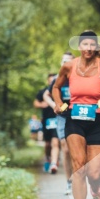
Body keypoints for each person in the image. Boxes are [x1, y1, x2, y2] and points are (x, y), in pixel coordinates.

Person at [52, 31, 100, 199]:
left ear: (96, 47)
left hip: (98, 120)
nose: (88, 48)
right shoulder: (69, 66)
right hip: (75, 120)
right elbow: (55, 87)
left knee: (94, 174)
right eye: (84, 44)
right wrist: (57, 103)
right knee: (79, 167)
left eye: (92, 45)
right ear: (79, 46)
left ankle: (95, 190)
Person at [43, 52, 75, 189]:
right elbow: (46, 95)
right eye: (63, 61)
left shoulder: (79, 76)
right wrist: (55, 105)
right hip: (63, 117)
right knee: (66, 149)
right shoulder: (58, 78)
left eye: (68, 61)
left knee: (79, 150)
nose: (65, 63)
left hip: (80, 116)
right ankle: (69, 183)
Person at [34, 73, 59, 173]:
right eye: (51, 80)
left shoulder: (59, 90)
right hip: (46, 120)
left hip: (57, 119)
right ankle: (48, 159)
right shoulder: (43, 92)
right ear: (48, 81)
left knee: (55, 142)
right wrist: (41, 104)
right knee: (48, 144)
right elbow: (35, 103)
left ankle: (54, 163)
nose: (52, 81)